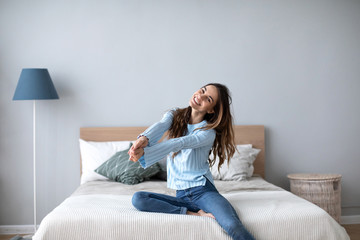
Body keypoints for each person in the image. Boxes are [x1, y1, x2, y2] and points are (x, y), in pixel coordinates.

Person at [128, 83, 255, 240]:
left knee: (232, 225)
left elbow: (179, 143)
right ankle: (193, 213)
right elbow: (161, 126)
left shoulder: (208, 132)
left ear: (211, 110)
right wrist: (143, 139)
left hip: (204, 192)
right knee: (138, 199)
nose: (200, 96)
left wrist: (145, 153)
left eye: (208, 98)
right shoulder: (174, 115)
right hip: (181, 195)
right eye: (202, 91)